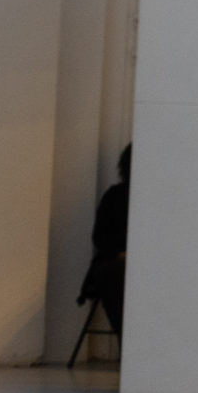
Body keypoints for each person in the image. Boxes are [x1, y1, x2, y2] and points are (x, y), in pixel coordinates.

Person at [78, 144, 130, 341]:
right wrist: (120, 254)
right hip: (116, 262)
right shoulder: (115, 196)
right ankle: (129, 341)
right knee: (118, 274)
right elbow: (100, 237)